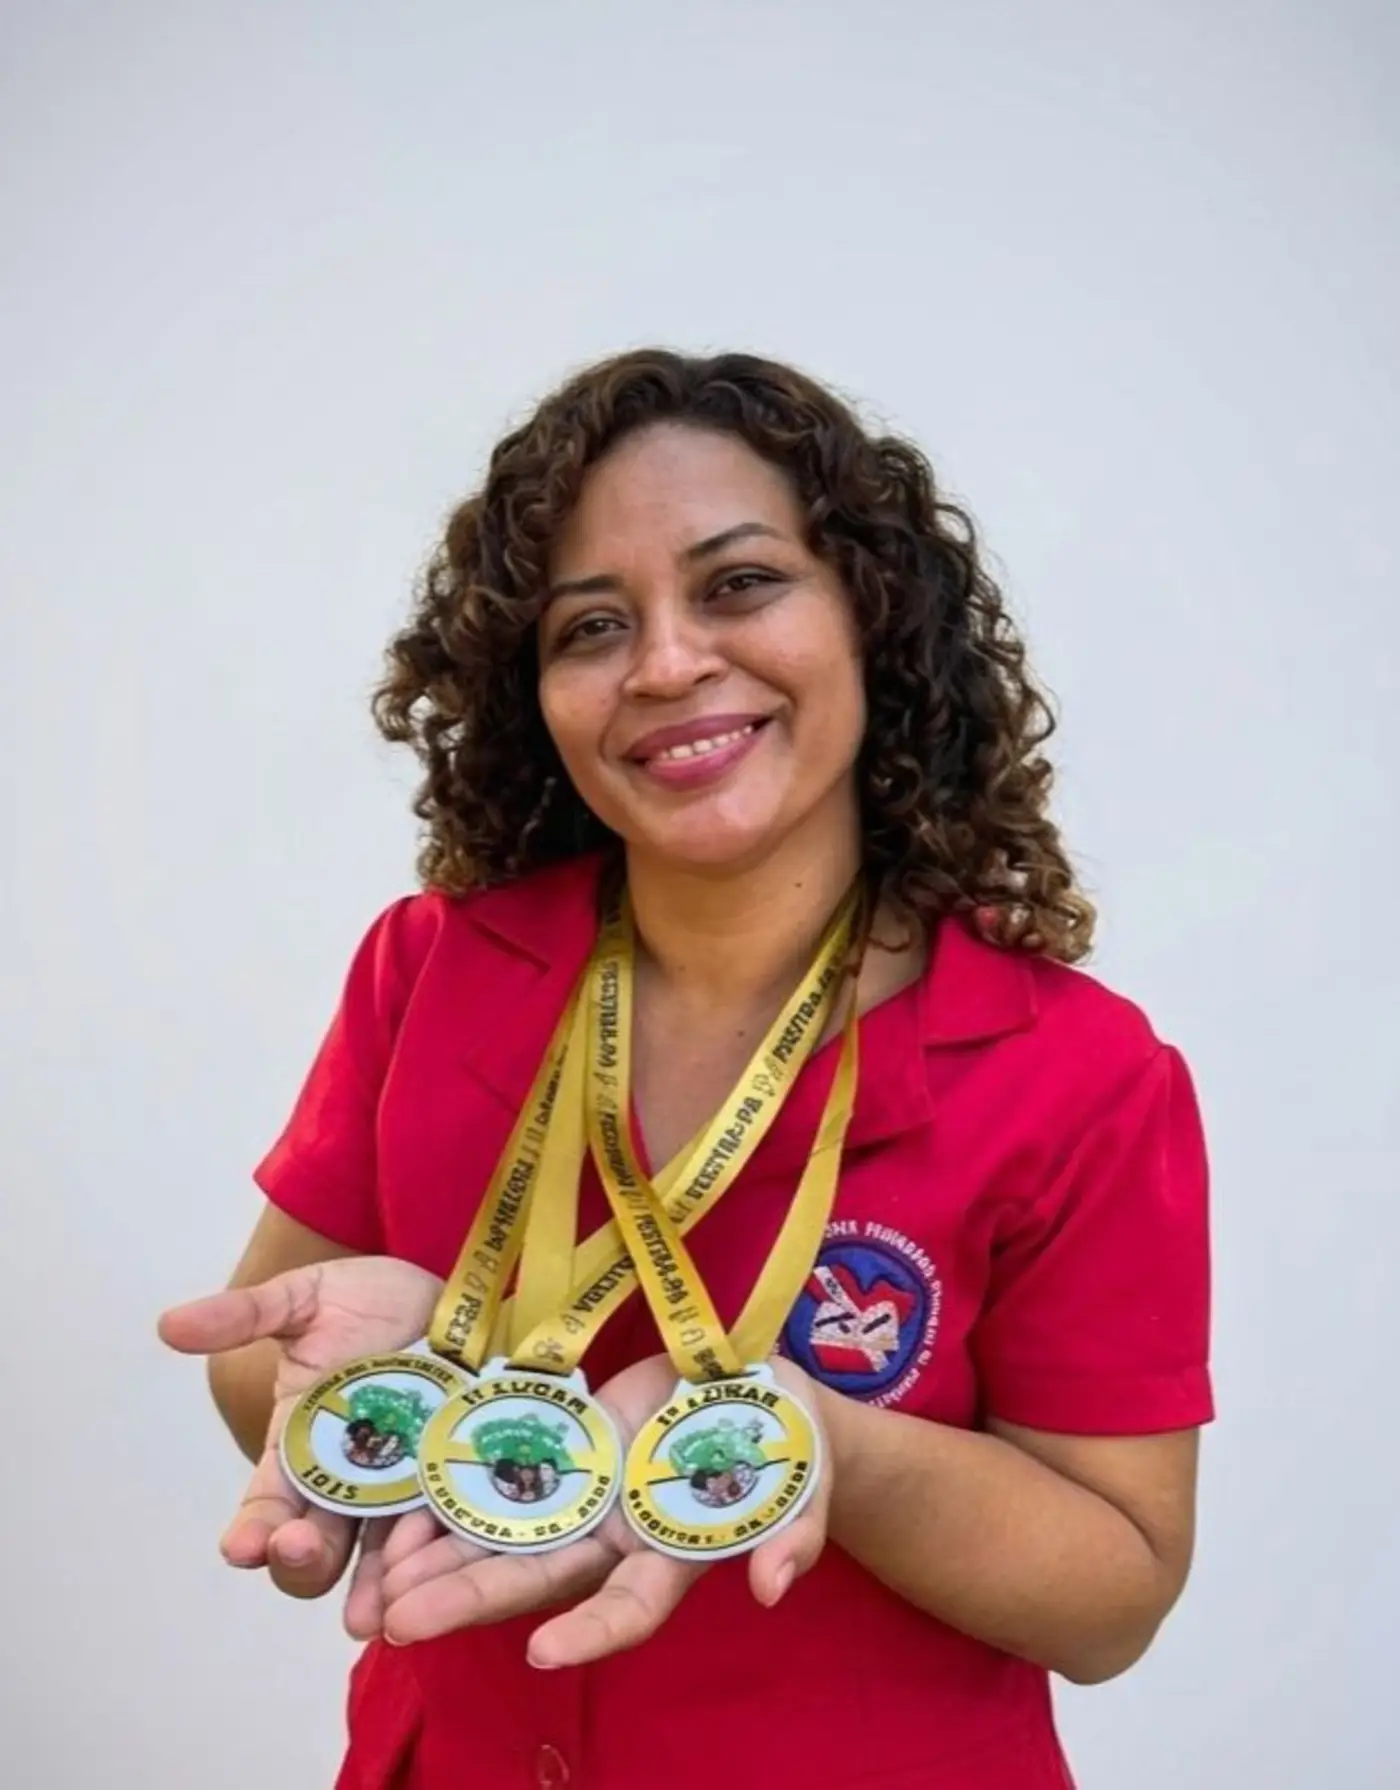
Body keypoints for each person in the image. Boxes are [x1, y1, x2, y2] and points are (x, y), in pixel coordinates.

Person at [158, 349, 1213, 1790]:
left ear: (872, 616)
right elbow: (260, 1363)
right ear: (534, 692)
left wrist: (825, 1442)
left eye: (737, 584)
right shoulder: (435, 969)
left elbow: (1118, 1590)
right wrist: (404, 1367)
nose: (665, 663)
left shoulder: (1078, 1076)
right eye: (592, 624)